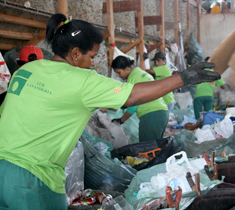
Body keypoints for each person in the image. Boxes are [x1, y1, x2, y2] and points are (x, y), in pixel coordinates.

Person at [0, 13, 220, 210]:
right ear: (75, 53)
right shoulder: (82, 80)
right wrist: (183, 77)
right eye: (92, 56)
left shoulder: (27, 70)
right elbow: (133, 95)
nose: (93, 63)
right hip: (33, 179)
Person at [112, 55, 169, 142]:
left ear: (127, 68)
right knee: (155, 147)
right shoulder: (139, 73)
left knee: (147, 149)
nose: (117, 75)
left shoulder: (133, 78)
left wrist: (121, 120)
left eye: (119, 72)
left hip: (151, 115)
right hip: (161, 113)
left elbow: (133, 105)